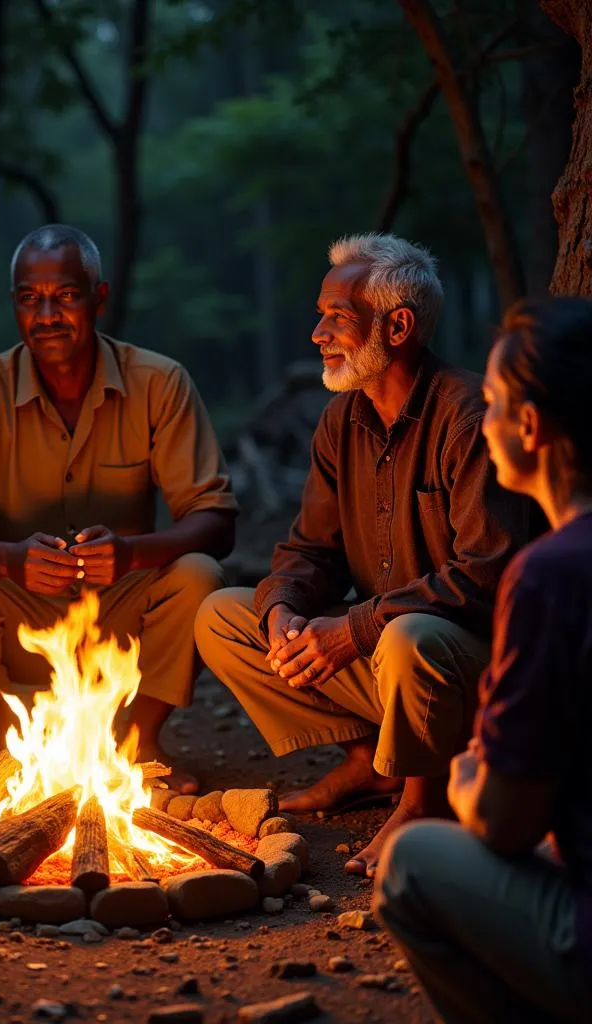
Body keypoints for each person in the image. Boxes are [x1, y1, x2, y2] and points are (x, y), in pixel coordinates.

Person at [195, 232, 529, 874]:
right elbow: (308, 550)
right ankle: (368, 762)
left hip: (470, 673)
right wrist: (285, 611)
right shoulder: (340, 420)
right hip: (389, 660)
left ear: (398, 326)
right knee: (226, 615)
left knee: (408, 636)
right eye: (321, 315)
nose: (317, 333)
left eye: (337, 317)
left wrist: (354, 628)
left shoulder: (467, 416)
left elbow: (490, 575)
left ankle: (422, 801)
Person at [0, 224, 238, 791]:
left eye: (65, 296)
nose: (47, 314)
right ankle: (3, 738)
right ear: (15, 306)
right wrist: (8, 560)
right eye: (30, 298)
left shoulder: (159, 383)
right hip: (17, 612)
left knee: (200, 575)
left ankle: (144, 739)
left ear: (98, 298)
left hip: (122, 611)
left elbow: (216, 521)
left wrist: (131, 553)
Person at [374, 297, 592, 1024]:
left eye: (494, 404)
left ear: (530, 427)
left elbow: (504, 820)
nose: (484, 420)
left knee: (412, 866)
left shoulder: (553, 573)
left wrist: (466, 780)